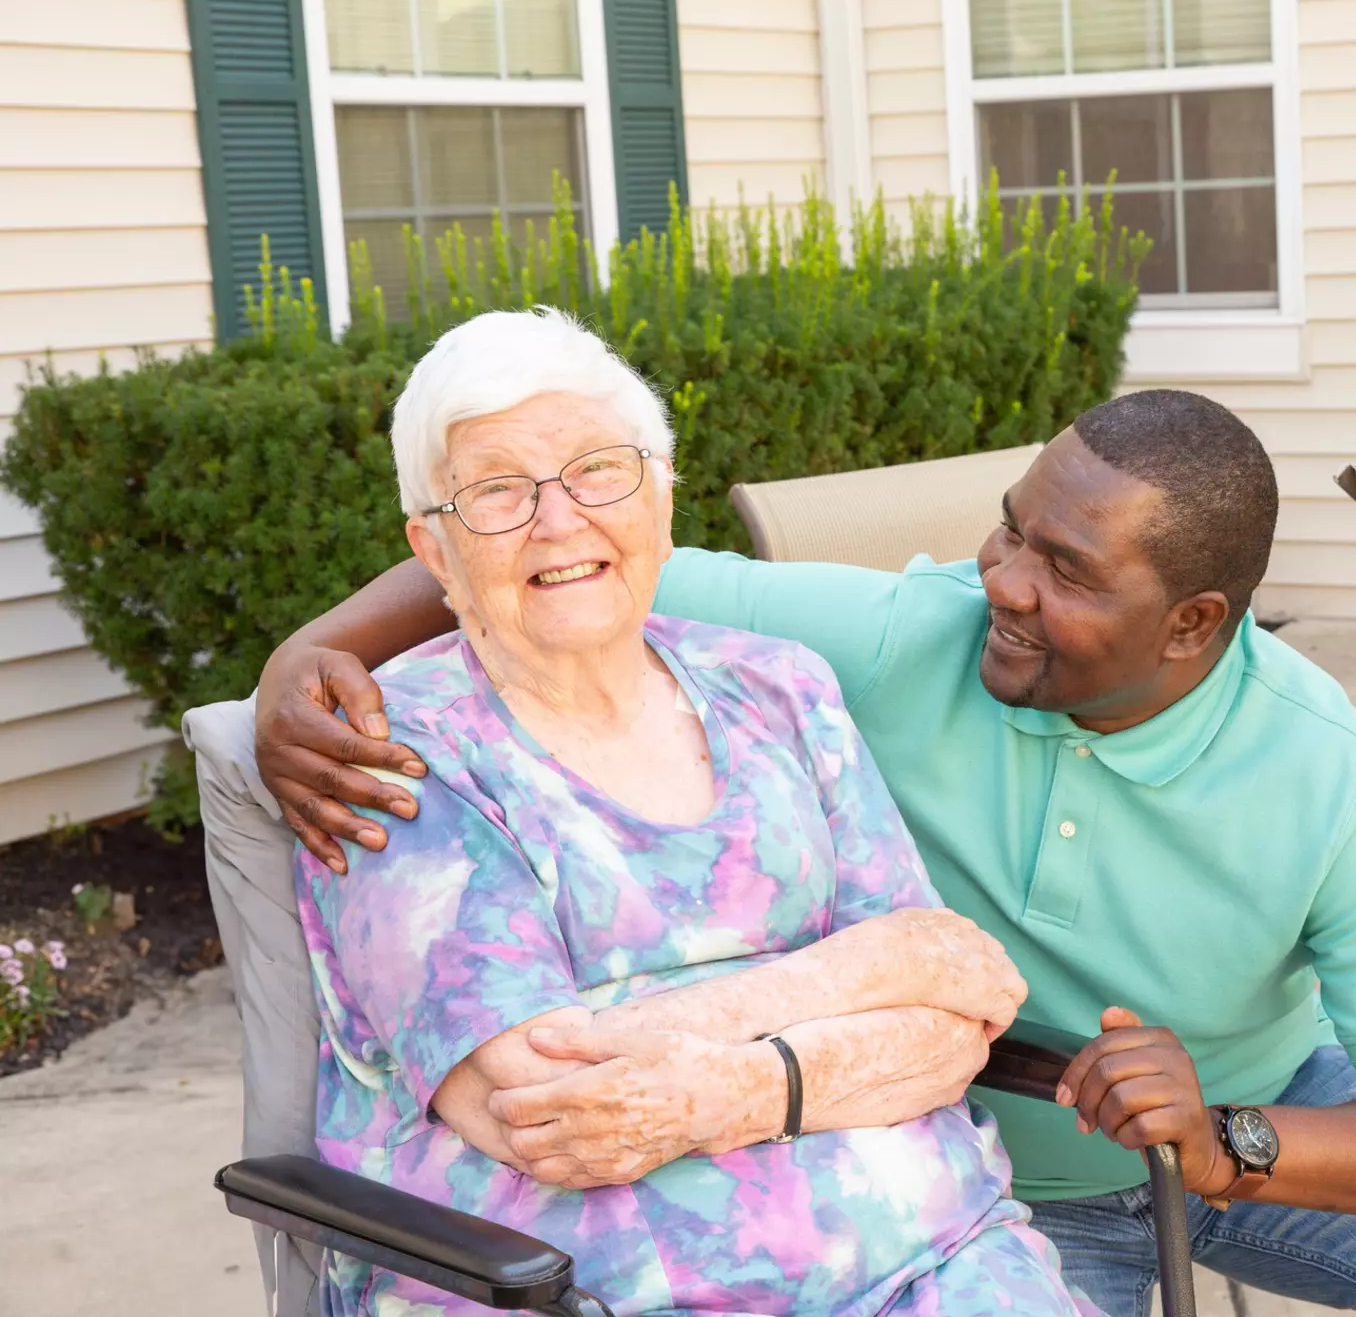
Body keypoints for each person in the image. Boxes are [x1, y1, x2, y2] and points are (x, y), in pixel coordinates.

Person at [257, 371, 1356, 1316]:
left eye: (1066, 573)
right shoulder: (917, 634)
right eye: (1010, 531)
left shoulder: (1325, 771)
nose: (1004, 586)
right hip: (983, 1164)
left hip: (1232, 1136)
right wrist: (312, 653)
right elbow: (585, 560)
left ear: (1193, 623)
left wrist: (1226, 1140)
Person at [296, 308, 1092, 1316]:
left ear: (662, 500)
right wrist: (861, 984)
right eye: (497, 489)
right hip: (601, 1292)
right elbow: (545, 1104)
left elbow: (952, 1019)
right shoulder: (395, 755)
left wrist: (715, 1075)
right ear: (437, 553)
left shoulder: (779, 688)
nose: (557, 519)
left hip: (939, 1261)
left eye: (598, 469)